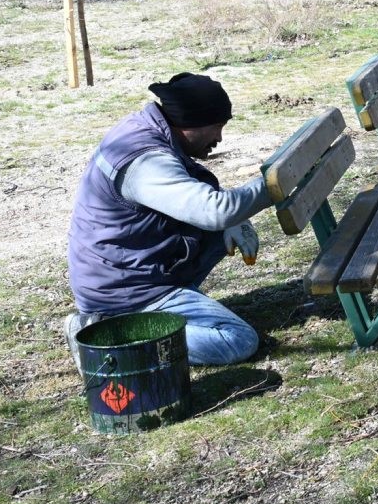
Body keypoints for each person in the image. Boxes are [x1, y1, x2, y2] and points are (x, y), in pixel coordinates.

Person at [65, 73, 275, 365]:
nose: (219, 138)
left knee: (218, 230)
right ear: (189, 124)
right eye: (216, 127)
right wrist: (274, 185)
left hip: (133, 270)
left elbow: (199, 198)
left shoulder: (150, 131)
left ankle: (170, 311)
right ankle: (114, 339)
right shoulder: (145, 161)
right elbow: (214, 210)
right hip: (124, 293)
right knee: (237, 340)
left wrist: (230, 220)